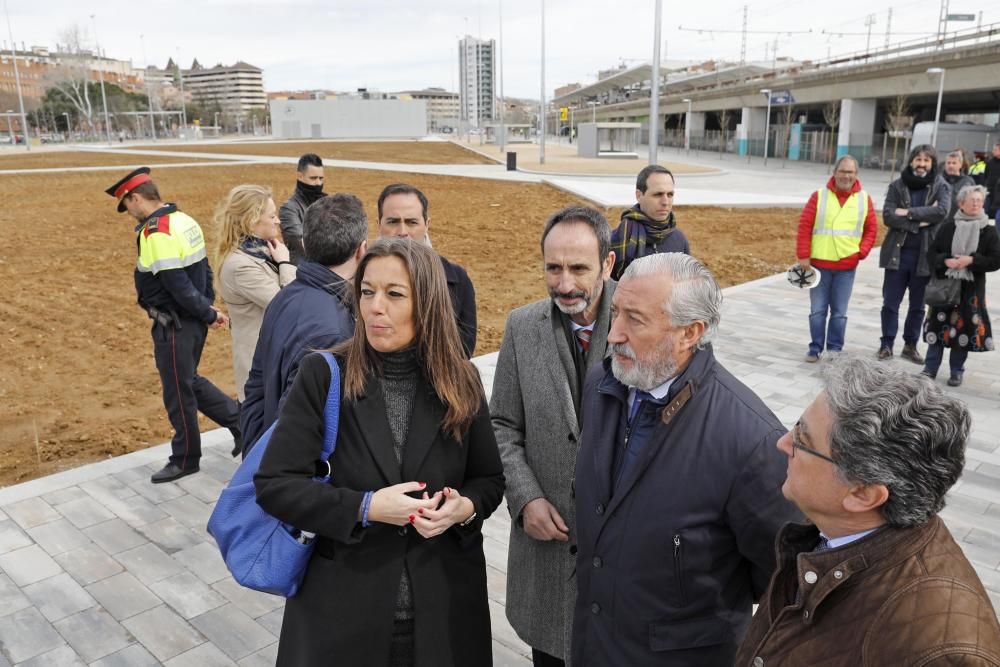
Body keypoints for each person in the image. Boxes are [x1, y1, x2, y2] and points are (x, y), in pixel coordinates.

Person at [254, 238, 505, 666]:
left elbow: (489, 480)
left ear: (426, 303)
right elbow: (274, 485)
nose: (374, 307)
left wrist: (463, 508)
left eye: (394, 294)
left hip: (443, 617)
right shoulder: (323, 374)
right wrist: (365, 507)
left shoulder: (461, 380)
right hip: (343, 620)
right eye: (367, 291)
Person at [571, 253, 801, 666]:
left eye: (635, 319)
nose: (613, 335)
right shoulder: (602, 384)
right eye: (616, 312)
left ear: (690, 333)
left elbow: (780, 580)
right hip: (594, 643)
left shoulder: (752, 441)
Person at [734, 356, 1000, 667]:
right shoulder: (827, 533)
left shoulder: (938, 651)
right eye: (795, 428)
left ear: (862, 494)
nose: (782, 443)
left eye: (801, 441)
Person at [491, 206, 617, 666]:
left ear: (608, 263)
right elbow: (501, 424)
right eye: (553, 268)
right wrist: (525, 498)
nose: (564, 284)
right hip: (548, 558)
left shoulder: (645, 318)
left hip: (621, 562)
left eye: (579, 268)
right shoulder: (521, 326)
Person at [104, 167, 240, 483]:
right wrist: (206, 307)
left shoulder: (156, 232)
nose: (129, 214)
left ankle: (185, 458)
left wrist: (207, 313)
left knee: (177, 393)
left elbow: (176, 285)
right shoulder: (184, 220)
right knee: (187, 381)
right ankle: (240, 422)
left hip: (176, 324)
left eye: (127, 205)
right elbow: (204, 269)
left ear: (136, 198)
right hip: (191, 319)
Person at [240, 194, 365, 452]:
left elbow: (256, 387)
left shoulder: (285, 296)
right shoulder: (333, 333)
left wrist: (252, 450)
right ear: (362, 249)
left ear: (305, 244)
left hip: (263, 449)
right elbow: (299, 433)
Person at [214, 185, 296, 404]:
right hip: (260, 373)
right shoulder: (240, 265)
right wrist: (286, 263)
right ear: (251, 221)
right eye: (272, 215)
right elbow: (286, 304)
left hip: (276, 361)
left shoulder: (264, 251)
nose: (278, 220)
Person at [376, 183, 477, 357]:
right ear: (379, 225)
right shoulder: (358, 280)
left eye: (411, 222)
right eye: (393, 221)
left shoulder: (456, 279)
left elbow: (464, 349)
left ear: (426, 225)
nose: (402, 232)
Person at [796, 155, 877, 362]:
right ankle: (815, 348)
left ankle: (834, 350)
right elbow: (805, 226)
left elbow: (871, 229)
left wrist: (862, 251)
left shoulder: (863, 199)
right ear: (835, 172)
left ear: (856, 175)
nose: (846, 176)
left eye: (850, 172)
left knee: (839, 313)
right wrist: (803, 256)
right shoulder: (819, 196)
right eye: (842, 171)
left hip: (846, 266)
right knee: (817, 311)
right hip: (819, 265)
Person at [920, 185, 1000, 386]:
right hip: (945, 287)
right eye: (972, 200)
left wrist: (971, 261)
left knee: (962, 331)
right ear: (961, 203)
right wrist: (945, 261)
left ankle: (956, 371)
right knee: (937, 329)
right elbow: (931, 253)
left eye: (979, 201)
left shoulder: (988, 230)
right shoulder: (948, 226)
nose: (976, 204)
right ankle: (930, 368)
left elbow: (996, 260)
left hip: (970, 290)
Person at [878, 144, 951, 363]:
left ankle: (910, 345)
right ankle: (886, 344)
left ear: (932, 163)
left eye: (926, 160)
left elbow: (942, 212)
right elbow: (889, 216)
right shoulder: (897, 186)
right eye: (918, 160)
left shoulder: (941, 186)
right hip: (897, 255)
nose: (921, 164)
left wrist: (908, 213)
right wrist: (921, 221)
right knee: (890, 303)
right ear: (911, 161)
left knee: (918, 306)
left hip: (925, 256)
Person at [609, 165, 690, 280]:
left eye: (670, 194)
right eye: (658, 194)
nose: (665, 202)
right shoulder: (616, 239)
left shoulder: (679, 239)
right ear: (639, 195)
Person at [279, 153, 326, 265]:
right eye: (313, 178)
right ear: (300, 176)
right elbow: (303, 242)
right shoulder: (289, 209)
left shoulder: (326, 202)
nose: (318, 183)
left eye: (321, 178)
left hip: (326, 268)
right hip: (301, 271)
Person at [942, 149, 975, 222]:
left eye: (954, 163)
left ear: (960, 165)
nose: (951, 165)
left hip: (959, 221)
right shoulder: (939, 180)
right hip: (940, 222)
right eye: (948, 163)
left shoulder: (968, 182)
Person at [984, 141, 1000, 217]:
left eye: (995, 149)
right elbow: (986, 175)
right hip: (989, 190)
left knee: (996, 212)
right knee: (986, 210)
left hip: (998, 192)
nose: (993, 151)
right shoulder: (990, 162)